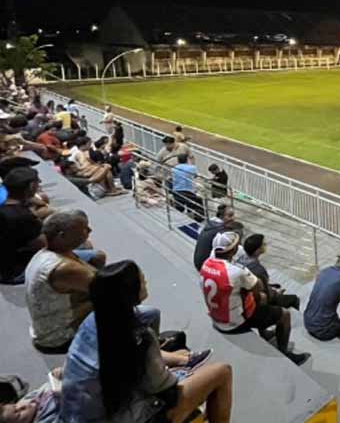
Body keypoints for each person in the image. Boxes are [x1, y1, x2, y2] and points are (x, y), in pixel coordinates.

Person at [61, 260, 233, 423]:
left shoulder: (93, 321)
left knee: (175, 355)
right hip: (128, 416)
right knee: (222, 372)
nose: (146, 282)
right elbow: (165, 389)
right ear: (131, 292)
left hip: (79, 413)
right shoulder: (140, 338)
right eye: (142, 281)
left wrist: (172, 359)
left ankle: (178, 361)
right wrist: (179, 373)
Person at [199, 232, 308, 365]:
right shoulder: (236, 270)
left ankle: (265, 333)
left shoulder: (206, 264)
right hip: (234, 323)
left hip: (216, 317)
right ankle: (285, 352)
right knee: (284, 314)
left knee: (257, 298)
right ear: (233, 250)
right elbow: (259, 286)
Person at [25, 210, 105, 353]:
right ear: (63, 236)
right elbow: (111, 290)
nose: (90, 230)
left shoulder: (44, 254)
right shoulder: (64, 268)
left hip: (45, 327)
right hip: (59, 338)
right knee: (125, 305)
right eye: (84, 229)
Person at [0, 167, 46, 284]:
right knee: (93, 254)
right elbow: (44, 244)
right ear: (31, 186)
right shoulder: (23, 216)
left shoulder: (5, 208)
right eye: (37, 181)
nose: (40, 183)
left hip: (4, 266)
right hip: (17, 271)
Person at [235, 233, 300, 310]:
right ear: (257, 251)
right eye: (263, 244)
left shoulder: (240, 260)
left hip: (248, 291)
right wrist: (276, 294)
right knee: (294, 299)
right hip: (258, 299)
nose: (266, 245)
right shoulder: (258, 269)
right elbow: (266, 294)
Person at [193, 205, 243, 271]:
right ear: (221, 216)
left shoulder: (211, 224)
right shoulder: (221, 230)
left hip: (199, 262)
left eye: (233, 215)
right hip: (205, 266)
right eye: (230, 216)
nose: (233, 218)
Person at [171, 153, 202, 220]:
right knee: (195, 204)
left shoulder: (173, 168)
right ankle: (197, 218)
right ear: (187, 159)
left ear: (178, 160)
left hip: (177, 190)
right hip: (188, 190)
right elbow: (196, 176)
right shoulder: (192, 168)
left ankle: (179, 219)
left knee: (179, 207)